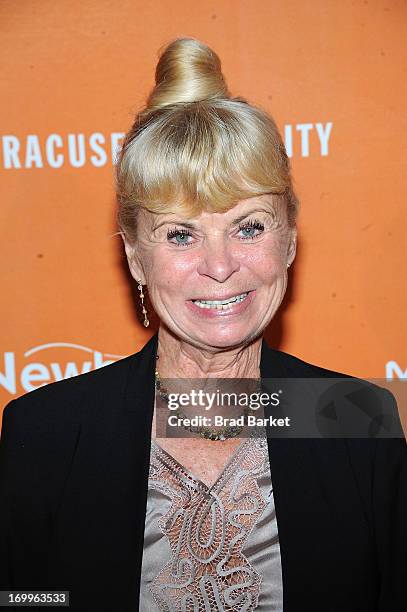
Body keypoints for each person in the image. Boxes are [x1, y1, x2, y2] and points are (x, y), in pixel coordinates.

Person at [0, 37, 406, 612]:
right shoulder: (47, 434)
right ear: (135, 256)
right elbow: (23, 597)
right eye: (181, 234)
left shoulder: (356, 423)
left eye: (248, 227)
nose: (220, 267)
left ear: (289, 240)